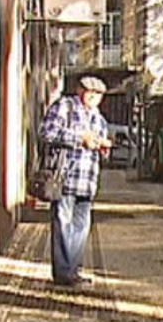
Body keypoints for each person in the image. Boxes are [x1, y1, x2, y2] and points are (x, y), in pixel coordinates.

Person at [40, 76, 111, 286]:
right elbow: (47, 132)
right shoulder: (65, 107)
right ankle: (63, 273)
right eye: (90, 92)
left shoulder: (99, 119)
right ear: (80, 90)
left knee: (82, 227)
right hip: (65, 178)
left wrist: (103, 148)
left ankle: (73, 270)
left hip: (87, 182)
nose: (94, 97)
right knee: (63, 224)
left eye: (98, 94)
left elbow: (96, 147)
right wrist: (80, 138)